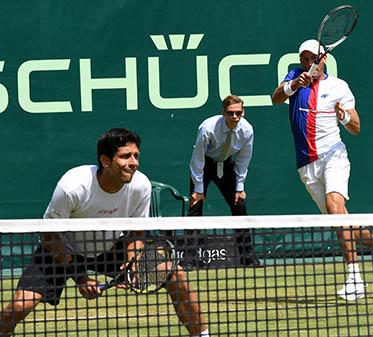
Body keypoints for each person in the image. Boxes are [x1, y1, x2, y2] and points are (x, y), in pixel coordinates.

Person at [0, 128, 210, 337]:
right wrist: (80, 277)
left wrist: (132, 262)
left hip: (110, 247)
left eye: (136, 156)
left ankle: (202, 335)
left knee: (176, 274)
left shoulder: (141, 186)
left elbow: (136, 232)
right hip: (62, 249)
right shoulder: (73, 186)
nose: (134, 163)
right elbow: (48, 235)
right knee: (20, 305)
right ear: (106, 161)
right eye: (125, 156)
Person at [271, 39, 373, 301]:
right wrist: (293, 85)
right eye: (303, 59)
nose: (307, 63)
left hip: (333, 155)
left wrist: (344, 117)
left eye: (312, 58)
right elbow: (275, 98)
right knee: (342, 221)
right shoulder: (293, 76)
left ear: (323, 59)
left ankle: (354, 277)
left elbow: (356, 127)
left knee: (335, 208)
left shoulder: (339, 87)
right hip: (306, 164)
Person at [187, 95, 259, 267]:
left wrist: (240, 187)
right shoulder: (207, 128)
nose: (235, 117)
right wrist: (198, 189)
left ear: (243, 112)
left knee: (239, 206)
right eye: (230, 113)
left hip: (226, 165)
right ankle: (189, 260)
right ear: (223, 113)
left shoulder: (247, 130)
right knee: (195, 208)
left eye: (238, 113)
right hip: (204, 165)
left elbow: (243, 159)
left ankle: (248, 258)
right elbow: (197, 159)